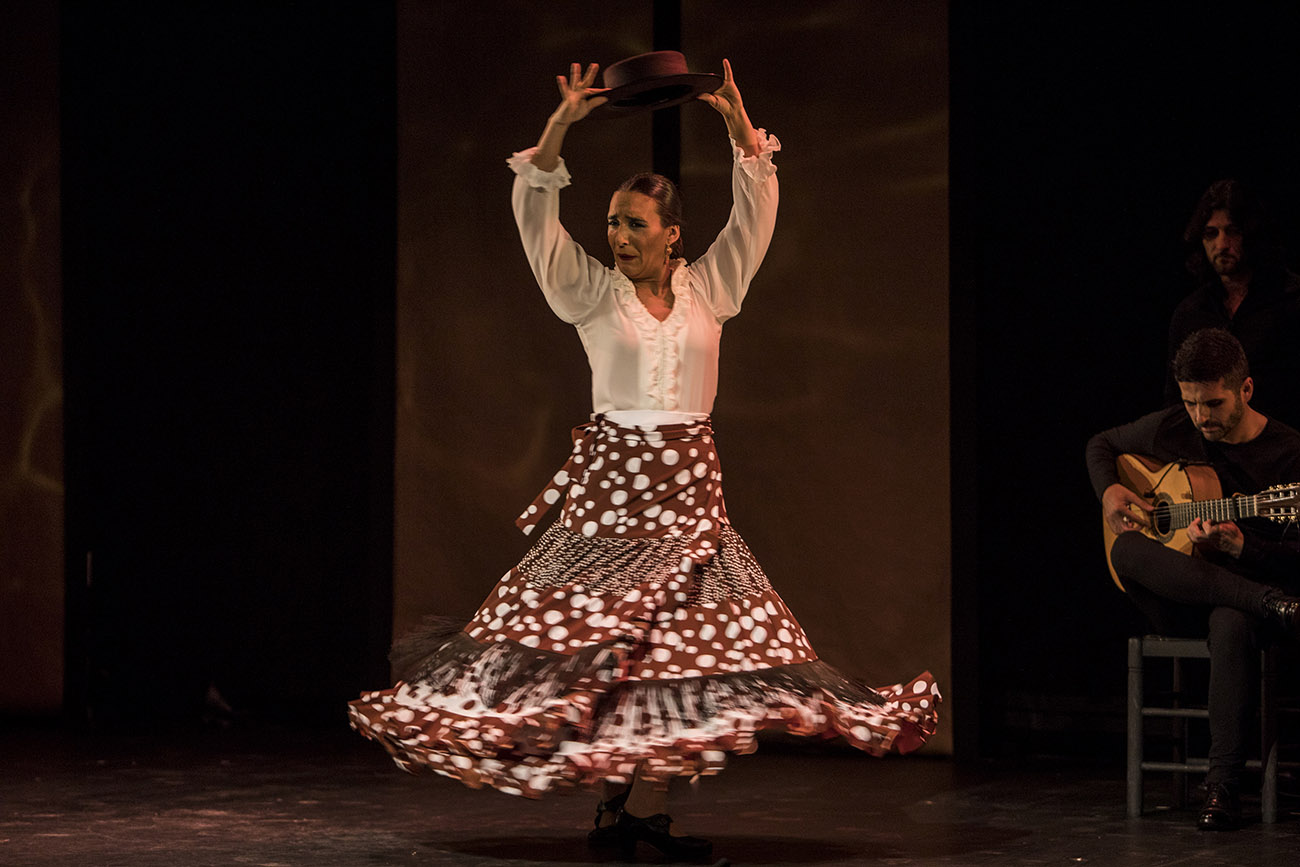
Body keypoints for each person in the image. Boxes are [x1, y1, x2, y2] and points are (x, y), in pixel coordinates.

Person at [349, 58, 939, 861]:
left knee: (677, 659)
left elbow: (755, 205)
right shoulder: (591, 294)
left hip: (690, 498)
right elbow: (535, 216)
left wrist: (735, 119)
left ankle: (642, 815)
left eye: (635, 224)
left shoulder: (711, 290)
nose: (618, 237)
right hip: (611, 500)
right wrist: (560, 127)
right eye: (613, 223)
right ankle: (612, 813)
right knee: (605, 653)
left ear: (672, 234)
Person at [1087, 327, 1300, 831]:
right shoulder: (1175, 428)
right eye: (1190, 403)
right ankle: (1271, 603)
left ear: (1246, 390)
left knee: (1230, 623)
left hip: (1236, 607)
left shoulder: (1287, 451)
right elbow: (1101, 444)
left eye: (1213, 403)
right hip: (1179, 593)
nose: (1201, 417)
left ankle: (1221, 786)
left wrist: (1243, 546)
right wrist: (1110, 492)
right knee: (1128, 550)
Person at [1165, 178, 1300, 427]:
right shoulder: (1191, 312)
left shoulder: (1291, 300)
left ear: (1251, 233)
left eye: (1233, 231)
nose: (1222, 244)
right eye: (1211, 233)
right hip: (1211, 453)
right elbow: (1175, 402)